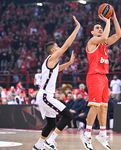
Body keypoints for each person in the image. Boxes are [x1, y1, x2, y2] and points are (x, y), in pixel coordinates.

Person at [32, 15, 80, 150]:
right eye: (57, 47)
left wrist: (69, 63)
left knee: (51, 124)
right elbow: (67, 44)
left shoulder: (50, 62)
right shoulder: (52, 58)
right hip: (46, 95)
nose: (59, 48)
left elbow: (57, 69)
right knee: (68, 115)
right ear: (53, 50)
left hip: (45, 96)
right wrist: (77, 28)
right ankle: (50, 141)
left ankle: (38, 145)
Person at [80, 10, 121, 150]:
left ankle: (102, 134)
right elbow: (104, 37)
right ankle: (87, 135)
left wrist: (114, 18)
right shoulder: (92, 41)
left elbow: (119, 35)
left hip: (103, 77)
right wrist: (107, 21)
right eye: (97, 28)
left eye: (101, 27)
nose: (100, 29)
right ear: (92, 32)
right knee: (95, 106)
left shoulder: (104, 44)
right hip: (94, 76)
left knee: (104, 107)